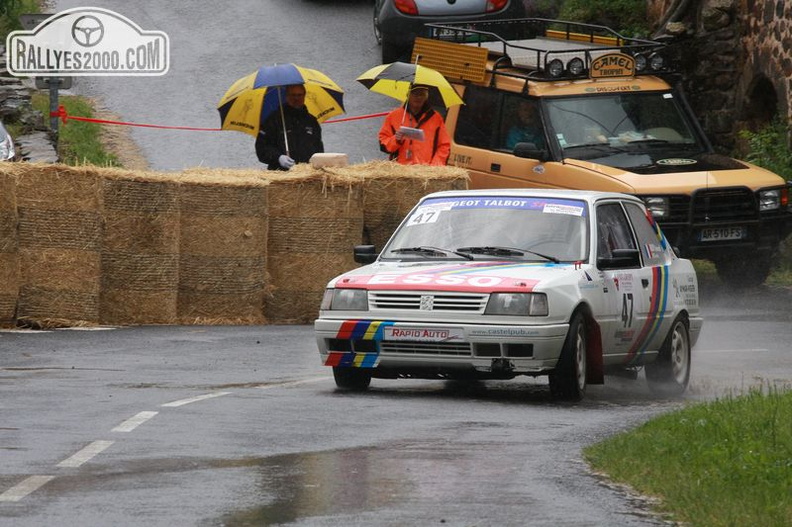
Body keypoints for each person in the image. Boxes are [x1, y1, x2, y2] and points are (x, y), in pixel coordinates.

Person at [378, 85, 451, 166]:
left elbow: (444, 146)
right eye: (415, 93)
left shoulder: (436, 118)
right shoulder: (393, 116)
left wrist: (434, 167)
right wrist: (396, 140)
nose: (418, 97)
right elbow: (383, 145)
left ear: (426, 97)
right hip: (399, 171)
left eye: (422, 94)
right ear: (408, 95)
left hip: (425, 172)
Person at [256, 84, 323, 170]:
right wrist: (278, 157)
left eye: (299, 95)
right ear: (286, 96)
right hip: (280, 173)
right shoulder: (273, 120)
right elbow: (261, 149)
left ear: (304, 96)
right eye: (293, 95)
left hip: (308, 174)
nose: (296, 98)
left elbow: (319, 150)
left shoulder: (311, 121)